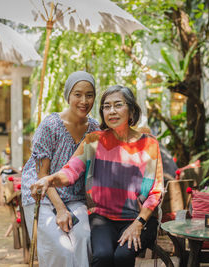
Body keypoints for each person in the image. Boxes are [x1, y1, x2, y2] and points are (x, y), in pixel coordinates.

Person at [31, 85, 164, 267]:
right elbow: (70, 171)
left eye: (118, 105)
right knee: (102, 256)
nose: (112, 111)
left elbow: (155, 192)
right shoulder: (93, 141)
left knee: (122, 257)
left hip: (139, 218)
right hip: (103, 218)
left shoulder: (149, 144)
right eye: (106, 106)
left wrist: (138, 223)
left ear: (131, 109)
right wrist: (50, 179)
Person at [21, 71, 99, 267]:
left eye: (89, 95)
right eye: (78, 94)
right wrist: (61, 209)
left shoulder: (95, 129)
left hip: (75, 195)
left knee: (84, 239)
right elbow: (42, 174)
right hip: (42, 193)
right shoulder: (51, 125)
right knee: (59, 248)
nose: (84, 100)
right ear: (68, 96)